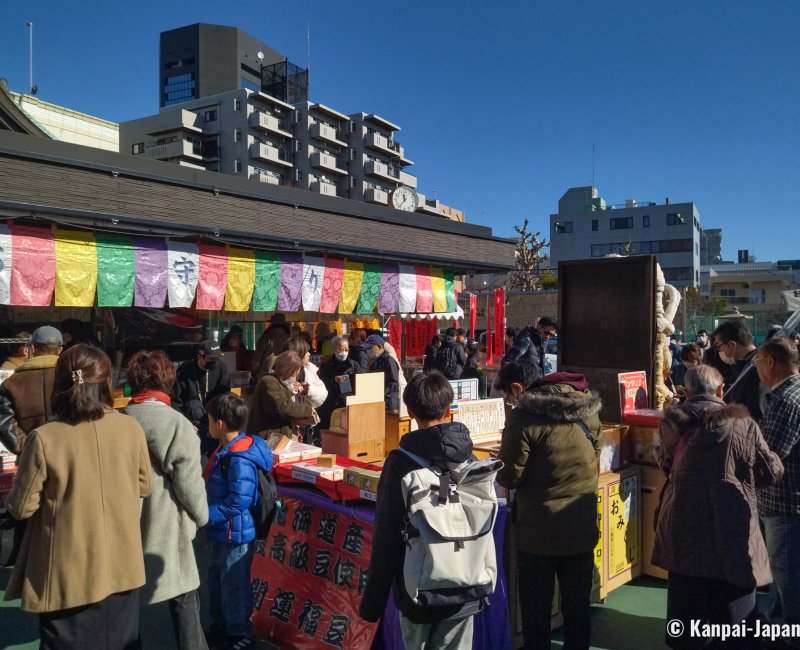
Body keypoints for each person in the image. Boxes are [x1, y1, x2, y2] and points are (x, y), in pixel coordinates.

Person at [5, 345, 152, 649]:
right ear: (106, 381)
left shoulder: (45, 438)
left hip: (66, 571)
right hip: (122, 565)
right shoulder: (130, 428)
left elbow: (21, 507)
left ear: (60, 384)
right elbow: (144, 486)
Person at [652, 365, 783, 650]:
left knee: (687, 605)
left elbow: (666, 466)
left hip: (683, 522)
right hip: (733, 523)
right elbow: (771, 471)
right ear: (721, 390)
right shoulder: (744, 424)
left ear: (684, 392)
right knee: (736, 613)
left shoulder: (671, 423)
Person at [360, 372, 485, 648]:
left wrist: (373, 603)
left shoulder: (400, 464)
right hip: (466, 582)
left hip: (418, 586)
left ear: (410, 411)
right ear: (448, 408)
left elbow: (387, 537)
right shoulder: (471, 458)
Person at [497, 368, 601, 650]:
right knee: (578, 609)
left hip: (537, 533)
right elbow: (595, 459)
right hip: (580, 526)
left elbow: (509, 477)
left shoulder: (523, 417)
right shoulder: (588, 413)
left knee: (536, 613)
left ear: (521, 388)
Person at [125, 350, 209, 650]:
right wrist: (201, 516)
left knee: (127, 601)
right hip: (168, 520)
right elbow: (189, 483)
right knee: (184, 597)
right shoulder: (177, 424)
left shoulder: (120, 420)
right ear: (167, 381)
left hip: (126, 522)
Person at [204, 392, 272, 650]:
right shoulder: (228, 449)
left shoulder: (238, 456)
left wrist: (207, 515)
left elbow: (239, 500)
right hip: (223, 530)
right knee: (218, 582)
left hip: (236, 532)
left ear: (219, 423)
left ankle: (240, 633)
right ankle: (222, 626)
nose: (207, 425)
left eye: (209, 420)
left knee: (234, 586)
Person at [753, 337, 800, 637]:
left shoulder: (785, 401)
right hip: (789, 501)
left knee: (787, 575)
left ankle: (789, 634)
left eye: (757, 362)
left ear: (770, 361)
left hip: (784, 503)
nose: (756, 368)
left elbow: (767, 458)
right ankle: (779, 624)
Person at [0, 326, 63, 456]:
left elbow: (4, 425)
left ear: (32, 349)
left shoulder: (10, 383)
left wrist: (30, 449)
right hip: (67, 457)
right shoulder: (73, 379)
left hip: (30, 463)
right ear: (60, 350)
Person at [172, 339, 232, 454]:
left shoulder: (222, 368)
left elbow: (225, 399)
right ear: (200, 357)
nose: (215, 362)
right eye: (211, 359)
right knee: (194, 405)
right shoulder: (184, 371)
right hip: (191, 424)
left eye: (217, 358)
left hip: (213, 422)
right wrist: (184, 424)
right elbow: (175, 402)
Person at [245, 351, 316, 439]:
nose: (295, 375)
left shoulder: (279, 382)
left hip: (275, 436)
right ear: (286, 369)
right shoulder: (269, 381)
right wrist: (308, 410)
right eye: (294, 372)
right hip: (266, 438)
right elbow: (281, 407)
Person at [712, 321, 764, 422]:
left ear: (732, 344)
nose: (719, 351)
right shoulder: (741, 366)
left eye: (718, 346)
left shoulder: (757, 367)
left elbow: (757, 412)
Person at [317, 335, 363, 429]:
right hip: (330, 406)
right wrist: (334, 380)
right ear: (334, 349)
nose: (344, 352)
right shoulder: (326, 365)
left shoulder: (354, 365)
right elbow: (321, 385)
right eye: (340, 349)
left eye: (346, 349)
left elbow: (361, 383)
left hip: (348, 406)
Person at [285, 335, 328, 410]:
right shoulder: (279, 374)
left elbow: (323, 395)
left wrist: (309, 391)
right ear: (298, 354)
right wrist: (289, 387)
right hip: (288, 421)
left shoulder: (310, 370)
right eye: (306, 351)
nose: (309, 354)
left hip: (306, 420)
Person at [367, 334, 402, 413]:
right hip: (378, 401)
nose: (368, 351)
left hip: (390, 404)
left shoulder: (389, 361)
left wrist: (381, 392)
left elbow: (394, 383)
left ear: (379, 347)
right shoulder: (374, 362)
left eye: (370, 348)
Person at [251, 313, 291, 381]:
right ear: (284, 323)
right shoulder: (289, 339)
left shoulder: (264, 339)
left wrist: (254, 373)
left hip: (266, 376)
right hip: (285, 377)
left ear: (271, 323)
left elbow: (257, 362)